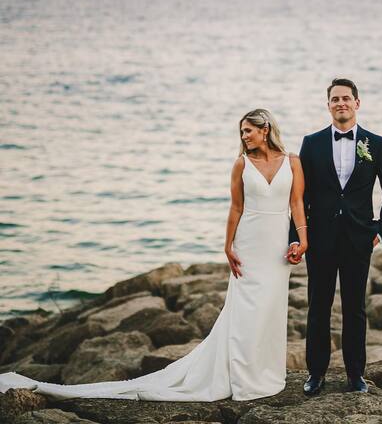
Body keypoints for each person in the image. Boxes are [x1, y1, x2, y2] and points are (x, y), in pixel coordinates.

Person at [0, 109, 308, 402]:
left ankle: (266, 372)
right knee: (245, 312)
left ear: (265, 129)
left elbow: (296, 204)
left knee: (270, 309)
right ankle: (244, 378)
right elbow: (236, 208)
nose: (244, 137)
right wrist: (228, 246)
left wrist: (302, 240)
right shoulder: (241, 164)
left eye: (248, 131)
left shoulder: (291, 162)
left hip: (278, 247)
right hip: (249, 245)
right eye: (242, 132)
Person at [288, 78, 382, 394]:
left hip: (358, 239)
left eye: (346, 98)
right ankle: (316, 374)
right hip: (320, 239)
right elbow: (299, 196)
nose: (341, 103)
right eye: (335, 99)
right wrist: (295, 237)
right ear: (328, 105)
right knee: (318, 307)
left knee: (355, 309)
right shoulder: (311, 144)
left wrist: (379, 232)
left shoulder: (375, 144)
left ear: (357, 103)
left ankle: (355, 375)